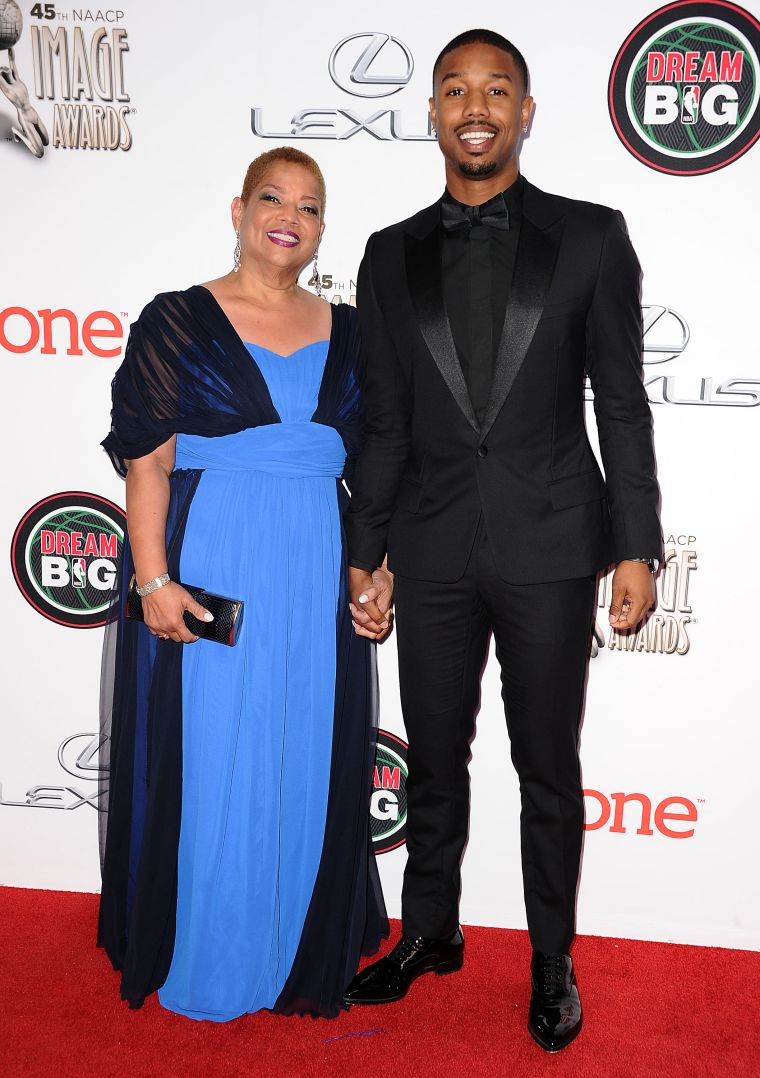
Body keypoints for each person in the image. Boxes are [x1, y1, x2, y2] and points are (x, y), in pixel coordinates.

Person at [343, 29, 662, 1053]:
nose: (472, 107)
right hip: (431, 549)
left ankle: (551, 956)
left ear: (525, 111)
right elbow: (384, 420)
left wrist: (634, 544)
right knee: (435, 758)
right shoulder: (387, 255)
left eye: (494, 90)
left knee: (545, 768)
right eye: (453, 90)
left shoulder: (591, 237)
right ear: (431, 113)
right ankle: (429, 928)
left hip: (554, 545)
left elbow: (621, 400)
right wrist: (368, 550)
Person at [97, 146, 388, 1021]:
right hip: (214, 557)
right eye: (272, 196)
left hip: (314, 567)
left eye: (308, 204)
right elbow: (146, 464)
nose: (288, 215)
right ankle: (211, 946)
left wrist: (376, 571)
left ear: (322, 228)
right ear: (238, 209)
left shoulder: (355, 330)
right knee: (217, 748)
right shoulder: (178, 319)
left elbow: (380, 469)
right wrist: (154, 579)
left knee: (303, 740)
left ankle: (293, 943)